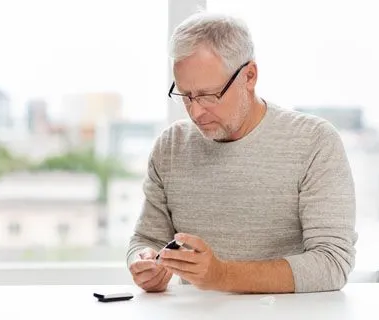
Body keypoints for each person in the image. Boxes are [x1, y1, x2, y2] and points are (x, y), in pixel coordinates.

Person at [127, 12, 357, 294]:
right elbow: (146, 238)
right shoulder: (171, 145)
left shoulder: (314, 141)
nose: (196, 111)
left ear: (249, 76)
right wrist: (145, 262)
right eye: (186, 95)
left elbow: (332, 264)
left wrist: (221, 275)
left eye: (209, 95)